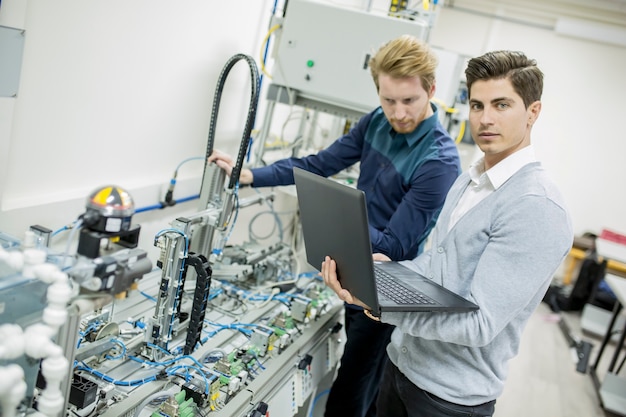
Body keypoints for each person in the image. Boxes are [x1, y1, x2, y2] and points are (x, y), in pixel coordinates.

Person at [209, 35, 460, 417]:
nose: (398, 113)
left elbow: (395, 245)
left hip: (388, 283)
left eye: (409, 101)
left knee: (355, 381)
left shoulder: (439, 161)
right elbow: (318, 164)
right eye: (388, 100)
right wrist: (251, 175)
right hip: (354, 269)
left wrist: (339, 222)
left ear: (431, 90)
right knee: (363, 377)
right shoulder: (376, 122)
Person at [321, 50, 574, 417]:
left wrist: (379, 305)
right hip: (401, 368)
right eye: (477, 105)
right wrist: (386, 273)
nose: (485, 119)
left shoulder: (536, 206)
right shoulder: (469, 182)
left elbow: (479, 324)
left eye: (502, 105)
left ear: (533, 112)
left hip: (449, 400)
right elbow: (433, 267)